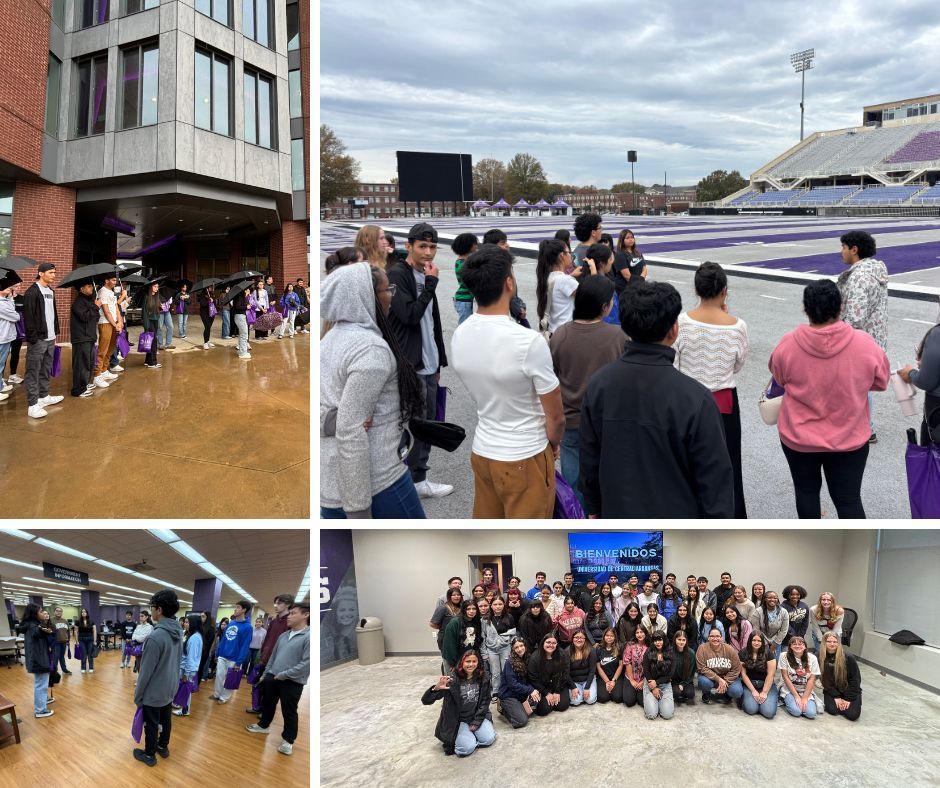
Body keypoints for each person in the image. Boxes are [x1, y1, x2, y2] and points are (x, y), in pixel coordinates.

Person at [579, 281, 734, 518]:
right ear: (673, 330)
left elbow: (590, 459)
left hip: (618, 520)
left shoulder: (598, 385)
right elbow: (715, 481)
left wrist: (594, 508)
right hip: (680, 528)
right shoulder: (696, 399)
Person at [450, 244, 564, 518]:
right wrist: (554, 443)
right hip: (525, 454)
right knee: (529, 542)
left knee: (492, 538)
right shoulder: (528, 342)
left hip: (484, 450)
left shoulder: (460, 334)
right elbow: (556, 417)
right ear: (509, 283)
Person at [769, 279, 890, 518]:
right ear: (840, 306)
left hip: (799, 437)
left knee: (806, 492)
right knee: (848, 500)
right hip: (849, 438)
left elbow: (779, 378)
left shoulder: (789, 343)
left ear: (806, 309)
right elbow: (881, 381)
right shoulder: (864, 343)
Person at [319, 263, 426, 518]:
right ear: (366, 296)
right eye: (387, 289)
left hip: (333, 484)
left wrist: (327, 421)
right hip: (378, 484)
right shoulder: (370, 349)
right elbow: (351, 431)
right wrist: (358, 511)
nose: (392, 294)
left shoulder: (330, 339)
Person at [673, 262, 749, 517]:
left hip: (686, 402)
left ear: (696, 289)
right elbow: (738, 365)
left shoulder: (682, 322)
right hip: (723, 402)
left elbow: (674, 362)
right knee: (727, 464)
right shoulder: (737, 326)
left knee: (686, 464)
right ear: (725, 291)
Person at [386, 222, 452, 499]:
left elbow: (432, 323)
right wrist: (431, 285)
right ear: (408, 246)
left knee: (426, 423)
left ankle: (416, 478)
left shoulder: (424, 275)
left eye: (433, 247)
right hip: (410, 364)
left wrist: (439, 363)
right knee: (414, 426)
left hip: (428, 362)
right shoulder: (398, 275)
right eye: (423, 246)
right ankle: (412, 481)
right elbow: (409, 316)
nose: (428, 252)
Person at [549, 275, 625, 505]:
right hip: (607, 420)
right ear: (604, 307)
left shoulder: (560, 334)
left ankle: (580, 525)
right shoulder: (617, 336)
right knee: (608, 479)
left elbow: (552, 377)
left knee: (575, 483)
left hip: (571, 420)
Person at [836, 229, 888, 443]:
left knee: (857, 386)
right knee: (861, 385)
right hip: (873, 338)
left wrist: (834, 334)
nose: (841, 252)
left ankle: (866, 429)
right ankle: (866, 427)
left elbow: (855, 318)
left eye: (844, 247)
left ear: (854, 250)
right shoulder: (875, 271)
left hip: (858, 343)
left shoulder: (859, 277)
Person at [246, 602, 310, 756]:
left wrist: (285, 674)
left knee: (289, 712)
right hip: (272, 676)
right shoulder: (283, 635)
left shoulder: (309, 636)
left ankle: (288, 741)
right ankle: (263, 725)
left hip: (292, 681)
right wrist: (265, 674)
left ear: (305, 615)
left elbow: (307, 663)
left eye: (293, 613)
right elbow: (273, 657)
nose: (289, 616)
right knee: (268, 703)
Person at [132, 590, 184, 766]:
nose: (151, 611)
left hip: (154, 692)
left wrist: (138, 696)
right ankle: (163, 747)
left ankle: (149, 755)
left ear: (159, 609)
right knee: (166, 719)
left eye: (151, 608)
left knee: (152, 724)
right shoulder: (178, 632)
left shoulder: (155, 637)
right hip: (170, 687)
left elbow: (145, 673)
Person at [422, 650, 496, 757]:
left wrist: (476, 721)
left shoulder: (483, 677)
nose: (471, 664)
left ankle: (470, 736)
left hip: (476, 716)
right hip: (458, 720)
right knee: (466, 749)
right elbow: (426, 701)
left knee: (488, 739)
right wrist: (436, 688)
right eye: (468, 661)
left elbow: (485, 702)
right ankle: (467, 738)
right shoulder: (452, 679)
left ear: (478, 662)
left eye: (474, 661)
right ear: (462, 663)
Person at [23, 262, 64, 419]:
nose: (54, 275)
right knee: (33, 370)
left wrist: (55, 333)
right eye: (51, 272)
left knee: (46, 368)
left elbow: (52, 314)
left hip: (50, 338)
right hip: (38, 339)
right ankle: (33, 405)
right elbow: (29, 318)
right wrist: (33, 339)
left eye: (54, 272)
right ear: (41, 273)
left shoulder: (50, 291)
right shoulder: (32, 292)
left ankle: (44, 396)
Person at [536, 238, 588, 337]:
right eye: (569, 252)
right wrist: (594, 272)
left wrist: (571, 275)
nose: (571, 255)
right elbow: (588, 299)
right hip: (567, 334)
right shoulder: (565, 281)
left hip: (554, 332)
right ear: (561, 256)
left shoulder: (549, 277)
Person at [481, 228, 527, 325]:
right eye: (502, 243)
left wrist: (519, 308)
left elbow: (512, 294)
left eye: (506, 242)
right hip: (496, 317)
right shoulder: (491, 268)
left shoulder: (506, 264)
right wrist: (518, 308)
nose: (507, 245)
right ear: (491, 247)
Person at [211, 599, 253, 704]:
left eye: (238, 607)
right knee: (219, 676)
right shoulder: (231, 623)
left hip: (234, 658)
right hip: (223, 655)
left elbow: (245, 646)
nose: (235, 609)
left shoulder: (248, 627)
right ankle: (217, 694)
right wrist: (217, 653)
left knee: (230, 679)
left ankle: (224, 697)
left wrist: (239, 662)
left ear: (244, 610)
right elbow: (224, 639)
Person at [22, 603, 55, 718]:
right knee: (41, 684)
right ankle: (40, 710)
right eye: (41, 612)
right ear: (34, 613)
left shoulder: (33, 625)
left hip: (37, 658)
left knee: (40, 683)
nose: (43, 613)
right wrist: (44, 631)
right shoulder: (33, 626)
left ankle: (42, 702)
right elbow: (38, 633)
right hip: (38, 659)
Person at [696, 626, 744, 705]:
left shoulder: (729, 649)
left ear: (721, 638)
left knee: (737, 691)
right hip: (710, 678)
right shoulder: (702, 648)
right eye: (712, 636)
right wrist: (719, 679)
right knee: (703, 682)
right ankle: (706, 693)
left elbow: (736, 668)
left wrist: (725, 681)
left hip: (727, 677)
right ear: (708, 638)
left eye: (717, 636)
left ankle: (727, 694)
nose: (715, 639)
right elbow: (701, 668)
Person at [527, 633, 573, 715]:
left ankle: (553, 702)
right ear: (543, 643)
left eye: (553, 643)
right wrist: (546, 693)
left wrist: (557, 691)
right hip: (543, 687)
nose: (551, 645)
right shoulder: (535, 658)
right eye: (548, 642)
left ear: (557, 644)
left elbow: (565, 673)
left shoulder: (562, 654)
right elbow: (533, 678)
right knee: (543, 710)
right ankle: (549, 703)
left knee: (563, 706)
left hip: (558, 685)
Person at [498, 637, 539, 728]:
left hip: (520, 693)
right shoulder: (509, 662)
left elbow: (529, 679)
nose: (520, 649)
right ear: (512, 649)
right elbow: (513, 684)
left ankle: (518, 707)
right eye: (516, 647)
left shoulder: (527, 658)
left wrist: (533, 690)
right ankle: (503, 707)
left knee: (537, 697)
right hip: (509, 695)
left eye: (521, 645)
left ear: (525, 646)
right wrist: (530, 690)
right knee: (522, 721)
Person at [68, 282, 100, 398]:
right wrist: (96, 307)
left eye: (92, 286)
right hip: (81, 337)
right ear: (81, 289)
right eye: (88, 286)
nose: (91, 288)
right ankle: (78, 389)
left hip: (90, 336)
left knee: (90, 362)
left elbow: (95, 317)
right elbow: (85, 317)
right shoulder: (78, 302)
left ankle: (85, 383)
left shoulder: (89, 301)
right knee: (81, 363)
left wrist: (95, 307)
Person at [820, 631, 862, 721]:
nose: (832, 644)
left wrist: (847, 698)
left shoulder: (848, 657)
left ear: (838, 643)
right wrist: (836, 696)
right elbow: (824, 681)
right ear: (824, 642)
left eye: (835, 642)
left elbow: (855, 679)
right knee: (832, 710)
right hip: (832, 689)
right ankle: (837, 700)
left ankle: (848, 701)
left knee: (852, 715)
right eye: (829, 641)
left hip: (849, 689)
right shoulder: (820, 657)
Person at [91, 274, 123, 390]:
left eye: (115, 280)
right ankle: (97, 375)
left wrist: (119, 322)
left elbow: (115, 308)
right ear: (106, 280)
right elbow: (106, 311)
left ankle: (104, 370)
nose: (115, 282)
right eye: (113, 280)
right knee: (102, 350)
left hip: (114, 324)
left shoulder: (111, 292)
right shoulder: (102, 291)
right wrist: (115, 325)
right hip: (105, 323)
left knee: (111, 348)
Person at [738, 631, 778, 718]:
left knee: (768, 712)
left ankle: (764, 703)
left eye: (759, 641)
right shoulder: (742, 653)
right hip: (749, 684)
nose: (756, 643)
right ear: (749, 641)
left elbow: (771, 674)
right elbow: (743, 674)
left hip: (766, 684)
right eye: (754, 640)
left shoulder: (769, 653)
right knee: (751, 709)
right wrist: (753, 691)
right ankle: (751, 701)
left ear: (763, 642)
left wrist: (764, 692)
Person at [481, 596, 515, 697]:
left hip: (505, 648)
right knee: (495, 672)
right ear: (491, 606)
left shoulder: (509, 617)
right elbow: (483, 636)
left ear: (504, 605)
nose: (497, 606)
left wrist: (512, 648)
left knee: (506, 670)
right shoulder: (485, 619)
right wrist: (484, 653)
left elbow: (513, 634)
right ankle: (495, 691)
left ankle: (506, 690)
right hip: (491, 650)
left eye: (500, 604)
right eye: (495, 604)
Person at [778, 636, 820, 719]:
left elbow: (811, 679)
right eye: (794, 644)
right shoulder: (784, 656)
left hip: (805, 689)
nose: (797, 646)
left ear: (805, 646)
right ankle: (785, 698)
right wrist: (796, 696)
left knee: (810, 713)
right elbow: (785, 677)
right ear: (790, 646)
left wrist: (804, 698)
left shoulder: (813, 658)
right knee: (796, 711)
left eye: (800, 644)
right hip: (789, 689)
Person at [174, 614, 203, 717]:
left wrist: (186, 673)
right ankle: (180, 705)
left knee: (186, 689)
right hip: (183, 666)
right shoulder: (189, 634)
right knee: (182, 688)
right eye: (185, 622)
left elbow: (191, 658)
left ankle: (185, 710)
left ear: (193, 624)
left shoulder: (195, 638)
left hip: (188, 669)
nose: (185, 624)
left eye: (187, 622)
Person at [441, 600, 481, 674]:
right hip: (453, 659)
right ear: (463, 610)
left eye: (474, 609)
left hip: (467, 659)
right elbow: (449, 645)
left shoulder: (476, 622)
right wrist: (454, 663)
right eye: (468, 609)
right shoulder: (455, 622)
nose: (471, 611)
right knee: (452, 681)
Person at [642, 631, 674, 720]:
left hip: (665, 685)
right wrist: (654, 687)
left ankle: (660, 702)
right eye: (655, 640)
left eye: (660, 640)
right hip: (650, 684)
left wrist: (657, 682)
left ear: (664, 640)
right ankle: (653, 700)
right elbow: (646, 670)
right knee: (651, 714)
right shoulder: (648, 651)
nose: (658, 643)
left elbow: (671, 674)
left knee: (667, 715)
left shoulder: (670, 652)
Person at [749, 591, 790, 657]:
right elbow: (756, 629)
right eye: (770, 598)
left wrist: (774, 644)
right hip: (761, 640)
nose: (772, 600)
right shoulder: (758, 611)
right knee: (762, 661)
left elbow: (784, 630)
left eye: (775, 598)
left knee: (775, 661)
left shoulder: (783, 612)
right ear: (765, 599)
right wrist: (764, 644)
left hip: (777, 640)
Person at [451, 232, 478, 325]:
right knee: (464, 326)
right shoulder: (462, 264)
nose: (476, 245)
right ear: (468, 246)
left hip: (465, 300)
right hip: (463, 300)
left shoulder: (464, 261)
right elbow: (469, 282)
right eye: (475, 244)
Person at [567, 630, 598, 706]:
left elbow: (592, 671)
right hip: (574, 681)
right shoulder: (566, 652)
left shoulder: (591, 651)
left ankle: (584, 693)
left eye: (581, 638)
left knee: (590, 700)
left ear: (585, 639)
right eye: (576, 637)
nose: (579, 639)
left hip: (587, 680)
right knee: (576, 702)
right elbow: (565, 673)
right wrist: (573, 687)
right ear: (572, 639)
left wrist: (587, 688)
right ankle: (580, 694)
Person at [613, 228, 647, 296]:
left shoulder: (637, 253)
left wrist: (641, 281)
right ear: (622, 240)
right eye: (627, 238)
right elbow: (627, 276)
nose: (630, 239)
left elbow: (645, 269)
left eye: (632, 237)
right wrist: (640, 282)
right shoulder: (620, 254)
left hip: (638, 286)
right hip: (625, 289)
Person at [621, 626, 648, 708]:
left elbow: (651, 666)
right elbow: (627, 662)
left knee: (642, 702)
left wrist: (643, 681)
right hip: (630, 676)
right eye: (637, 632)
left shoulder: (650, 646)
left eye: (641, 632)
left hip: (644, 678)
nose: (639, 634)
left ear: (645, 633)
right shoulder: (630, 645)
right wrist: (632, 680)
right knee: (629, 702)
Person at [594, 628, 624, 703]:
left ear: (615, 637)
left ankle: (613, 689)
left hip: (616, 677)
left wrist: (613, 681)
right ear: (604, 636)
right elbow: (598, 667)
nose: (609, 638)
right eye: (607, 635)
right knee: (602, 698)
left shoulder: (619, 647)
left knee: (618, 698)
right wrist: (607, 681)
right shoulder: (599, 648)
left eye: (612, 636)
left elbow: (621, 665)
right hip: (603, 677)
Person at [141, 281, 163, 370]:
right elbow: (144, 313)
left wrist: (159, 308)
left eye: (157, 287)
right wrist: (146, 327)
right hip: (149, 321)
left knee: (151, 341)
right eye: (154, 286)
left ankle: (147, 361)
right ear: (150, 287)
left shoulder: (156, 297)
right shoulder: (146, 297)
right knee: (153, 341)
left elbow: (156, 310)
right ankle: (152, 362)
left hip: (155, 320)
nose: (156, 288)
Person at [671, 630, 696, 706]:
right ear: (675, 640)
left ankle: (682, 692)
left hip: (686, 680)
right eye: (679, 639)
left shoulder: (691, 653)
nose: (681, 642)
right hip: (673, 681)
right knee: (676, 693)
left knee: (690, 694)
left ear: (686, 641)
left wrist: (683, 684)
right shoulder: (670, 652)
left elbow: (691, 672)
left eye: (683, 640)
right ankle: (678, 693)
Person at [73, 607, 97, 673]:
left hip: (90, 639)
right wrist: (77, 641)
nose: (83, 613)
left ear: (87, 613)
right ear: (81, 614)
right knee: (83, 654)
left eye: (85, 612)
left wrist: (95, 641)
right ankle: (83, 668)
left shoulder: (91, 621)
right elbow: (75, 632)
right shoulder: (77, 622)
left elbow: (94, 631)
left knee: (90, 654)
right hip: (81, 640)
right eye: (82, 612)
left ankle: (91, 667)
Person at [232, 284, 251, 359]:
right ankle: (242, 353)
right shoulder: (239, 297)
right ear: (244, 290)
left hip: (241, 316)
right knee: (244, 334)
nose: (249, 291)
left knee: (242, 334)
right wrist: (246, 306)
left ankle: (242, 351)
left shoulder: (243, 297)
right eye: (248, 289)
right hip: (240, 317)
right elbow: (237, 307)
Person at [50, 607, 72, 674]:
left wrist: (68, 640)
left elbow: (68, 631)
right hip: (55, 642)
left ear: (62, 613)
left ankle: (64, 669)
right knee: (55, 658)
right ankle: (54, 671)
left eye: (60, 611)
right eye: (57, 611)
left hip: (64, 642)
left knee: (62, 657)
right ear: (54, 612)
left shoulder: (65, 621)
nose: (58, 612)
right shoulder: (51, 620)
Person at [157, 284, 175, 350]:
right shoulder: (158, 294)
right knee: (159, 327)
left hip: (167, 312)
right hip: (160, 312)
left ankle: (168, 344)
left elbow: (171, 302)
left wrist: (171, 306)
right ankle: (160, 344)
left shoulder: (168, 292)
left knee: (171, 327)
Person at [199, 612, 216, 683]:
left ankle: (197, 683)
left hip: (204, 652)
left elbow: (209, 642)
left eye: (203, 616)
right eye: (201, 616)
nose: (201, 618)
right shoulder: (200, 627)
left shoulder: (211, 629)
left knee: (200, 667)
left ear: (207, 618)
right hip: (198, 650)